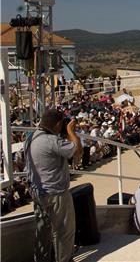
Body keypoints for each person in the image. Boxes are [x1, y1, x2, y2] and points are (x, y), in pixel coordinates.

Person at [25, 109, 82, 262]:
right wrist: (71, 131)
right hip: (56, 193)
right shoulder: (52, 141)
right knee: (63, 230)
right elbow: (77, 151)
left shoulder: (30, 138)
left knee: (42, 230)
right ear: (58, 124)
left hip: (38, 192)